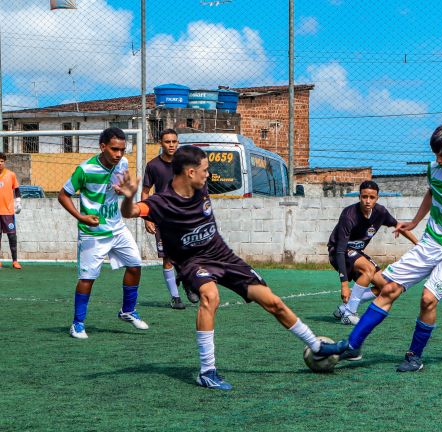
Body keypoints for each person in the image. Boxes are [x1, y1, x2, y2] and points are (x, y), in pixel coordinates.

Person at [117, 145, 328, 390]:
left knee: (272, 302)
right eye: (205, 170)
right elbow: (132, 211)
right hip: (192, 262)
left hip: (222, 255)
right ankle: (207, 371)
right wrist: (130, 196)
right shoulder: (162, 202)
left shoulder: (201, 186)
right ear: (190, 173)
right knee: (210, 296)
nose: (209, 175)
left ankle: (317, 346)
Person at [320, 124, 442, 372]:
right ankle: (352, 346)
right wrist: (417, 221)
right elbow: (432, 193)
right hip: (430, 243)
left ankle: (414, 356)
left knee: (428, 300)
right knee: (388, 289)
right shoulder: (434, 170)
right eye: (436, 155)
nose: (438, 160)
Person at [58, 127, 148, 339]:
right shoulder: (85, 169)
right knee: (87, 278)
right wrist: (81, 217)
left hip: (117, 227)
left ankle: (127, 310)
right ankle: (77, 323)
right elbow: (63, 195)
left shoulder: (122, 164)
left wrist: (122, 190)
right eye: (114, 149)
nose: (119, 154)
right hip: (93, 232)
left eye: (122, 150)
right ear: (103, 147)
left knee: (135, 265)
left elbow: (121, 186)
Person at [329, 180, 417, 325]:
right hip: (338, 251)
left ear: (377, 198)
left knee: (386, 287)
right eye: (364, 197)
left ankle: (346, 307)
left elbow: (399, 226)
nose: (367, 201)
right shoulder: (349, 215)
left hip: (356, 252)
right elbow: (339, 250)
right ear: (359, 197)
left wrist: (418, 244)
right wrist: (344, 284)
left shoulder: (380, 212)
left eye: (371, 197)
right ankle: (350, 313)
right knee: (368, 269)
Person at [141, 128, 191, 309]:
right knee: (167, 258)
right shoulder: (153, 166)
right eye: (167, 141)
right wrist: (147, 218)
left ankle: (186, 281)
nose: (171, 145)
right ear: (161, 143)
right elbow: (145, 192)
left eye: (174, 142)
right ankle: (175, 297)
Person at [0, 152, 22, 269]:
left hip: (8, 212)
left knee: (12, 236)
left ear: (4, 162)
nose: (0, 163)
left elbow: (16, 189)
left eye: (1, 161)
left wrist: (18, 202)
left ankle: (15, 261)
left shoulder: (11, 175)